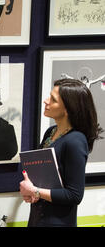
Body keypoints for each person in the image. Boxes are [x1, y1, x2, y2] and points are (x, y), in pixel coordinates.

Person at [20, 78, 103, 227]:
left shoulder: (75, 141)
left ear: (68, 109)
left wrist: (36, 191)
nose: (46, 101)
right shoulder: (51, 132)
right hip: (37, 219)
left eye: (53, 100)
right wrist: (31, 190)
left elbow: (74, 195)